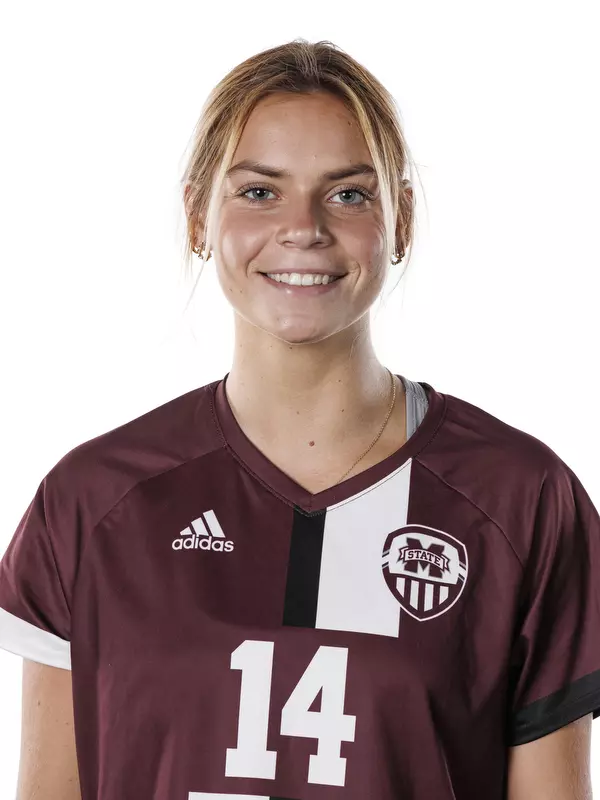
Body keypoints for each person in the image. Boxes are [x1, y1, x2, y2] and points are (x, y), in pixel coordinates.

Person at [0, 38, 599, 800]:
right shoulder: (90, 503)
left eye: (348, 193)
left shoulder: (520, 499)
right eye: (259, 191)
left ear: (401, 220)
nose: (304, 228)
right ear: (197, 214)